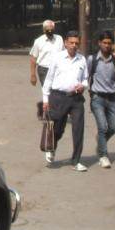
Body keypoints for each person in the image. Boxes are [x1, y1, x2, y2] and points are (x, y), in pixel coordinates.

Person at [41, 31, 88, 171]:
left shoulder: (82, 60)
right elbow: (48, 79)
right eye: (71, 43)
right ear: (66, 43)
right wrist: (45, 99)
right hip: (58, 97)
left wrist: (83, 85)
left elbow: (85, 78)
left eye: (76, 43)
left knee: (78, 129)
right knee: (57, 128)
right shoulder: (57, 58)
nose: (74, 46)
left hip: (76, 98)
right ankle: (51, 147)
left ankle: (76, 160)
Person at [87, 30, 115, 168]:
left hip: (112, 99)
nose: (106, 45)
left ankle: (100, 141)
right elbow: (84, 76)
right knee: (103, 127)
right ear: (99, 43)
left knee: (114, 127)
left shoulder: (114, 60)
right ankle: (103, 155)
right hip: (97, 98)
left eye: (109, 43)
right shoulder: (92, 59)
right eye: (104, 43)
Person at [28, 20, 64, 86]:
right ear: (44, 30)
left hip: (58, 69)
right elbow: (33, 59)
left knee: (58, 90)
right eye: (48, 29)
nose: (50, 31)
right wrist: (33, 75)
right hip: (44, 70)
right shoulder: (38, 41)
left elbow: (64, 54)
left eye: (52, 29)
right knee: (47, 90)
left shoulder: (59, 39)